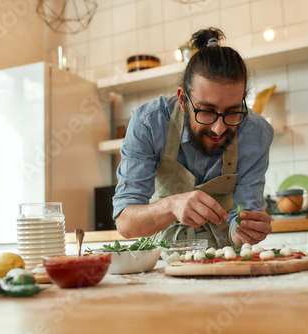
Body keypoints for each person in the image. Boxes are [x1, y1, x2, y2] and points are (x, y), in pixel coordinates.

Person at [113, 28, 274, 249]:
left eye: (232, 111)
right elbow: (126, 224)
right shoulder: (149, 123)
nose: (219, 129)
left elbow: (241, 222)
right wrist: (171, 205)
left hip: (224, 260)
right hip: (159, 261)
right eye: (207, 111)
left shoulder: (256, 133)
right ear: (182, 100)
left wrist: (247, 231)